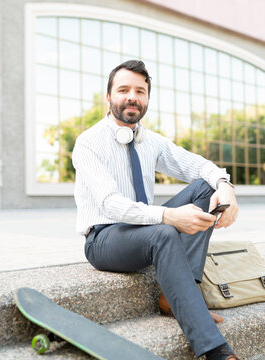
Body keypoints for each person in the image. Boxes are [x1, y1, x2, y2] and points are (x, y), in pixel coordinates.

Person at [72, 60, 240, 360]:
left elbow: (199, 166)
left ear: (147, 99)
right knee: (163, 231)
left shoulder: (151, 141)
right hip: (104, 239)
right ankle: (215, 350)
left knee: (206, 186)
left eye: (140, 91)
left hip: (145, 231)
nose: (132, 97)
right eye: (123, 90)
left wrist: (226, 187)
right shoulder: (88, 143)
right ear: (108, 97)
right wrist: (168, 216)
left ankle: (174, 296)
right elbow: (110, 203)